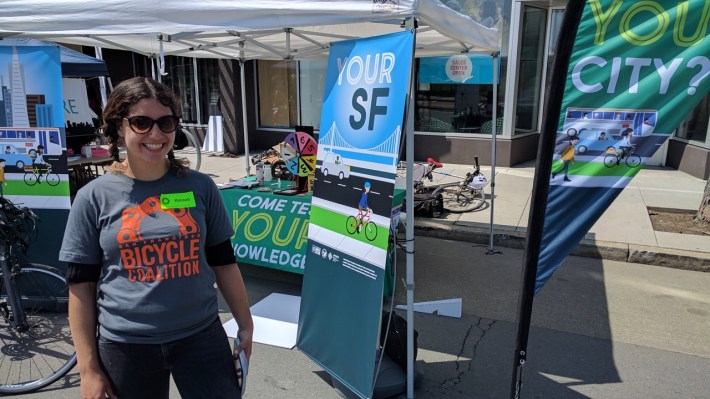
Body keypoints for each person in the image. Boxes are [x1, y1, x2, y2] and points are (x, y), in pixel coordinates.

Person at [59, 77, 253, 399]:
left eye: (165, 122)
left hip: (201, 335)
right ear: (119, 128)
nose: (155, 134)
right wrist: (88, 369)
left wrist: (245, 324)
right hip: (126, 345)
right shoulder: (93, 197)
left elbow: (224, 262)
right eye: (141, 122)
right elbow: (81, 286)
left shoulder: (200, 187)